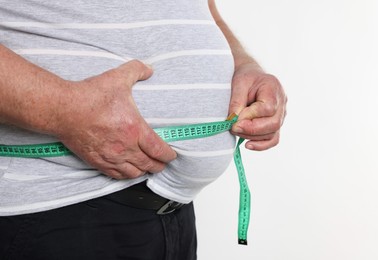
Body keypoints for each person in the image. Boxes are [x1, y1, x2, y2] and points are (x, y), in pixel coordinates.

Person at [0, 0, 287, 259]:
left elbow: (202, 11)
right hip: (54, 205)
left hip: (173, 219)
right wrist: (63, 109)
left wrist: (243, 64)